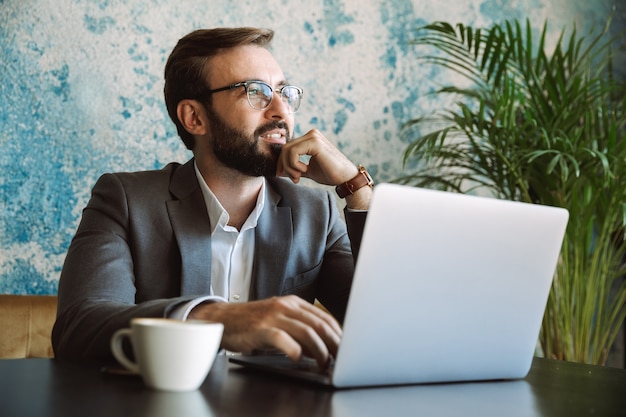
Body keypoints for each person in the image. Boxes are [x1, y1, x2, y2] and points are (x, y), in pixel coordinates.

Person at [52, 27, 373, 368]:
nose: (281, 111)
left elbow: (382, 325)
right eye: (256, 92)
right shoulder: (126, 201)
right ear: (195, 117)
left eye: (283, 92)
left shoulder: (315, 213)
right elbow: (79, 328)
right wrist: (218, 320)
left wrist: (358, 190)